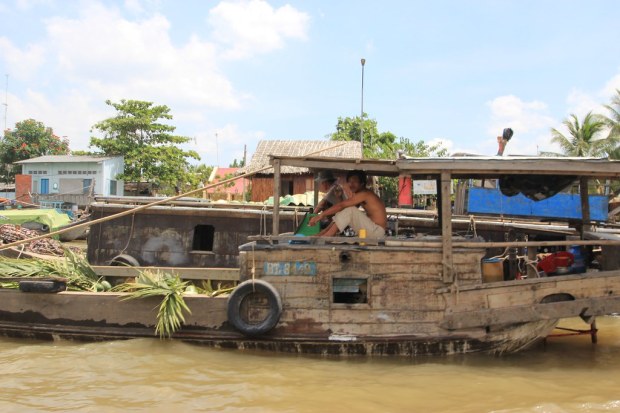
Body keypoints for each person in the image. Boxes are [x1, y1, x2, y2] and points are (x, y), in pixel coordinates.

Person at [309, 170, 387, 238]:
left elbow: (343, 206)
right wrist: (339, 197)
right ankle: (323, 234)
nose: (351, 184)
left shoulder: (365, 194)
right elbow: (344, 211)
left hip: (376, 231)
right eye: (349, 181)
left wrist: (321, 215)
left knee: (350, 210)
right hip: (371, 230)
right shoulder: (359, 195)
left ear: (362, 183)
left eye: (354, 182)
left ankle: (326, 236)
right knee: (348, 209)